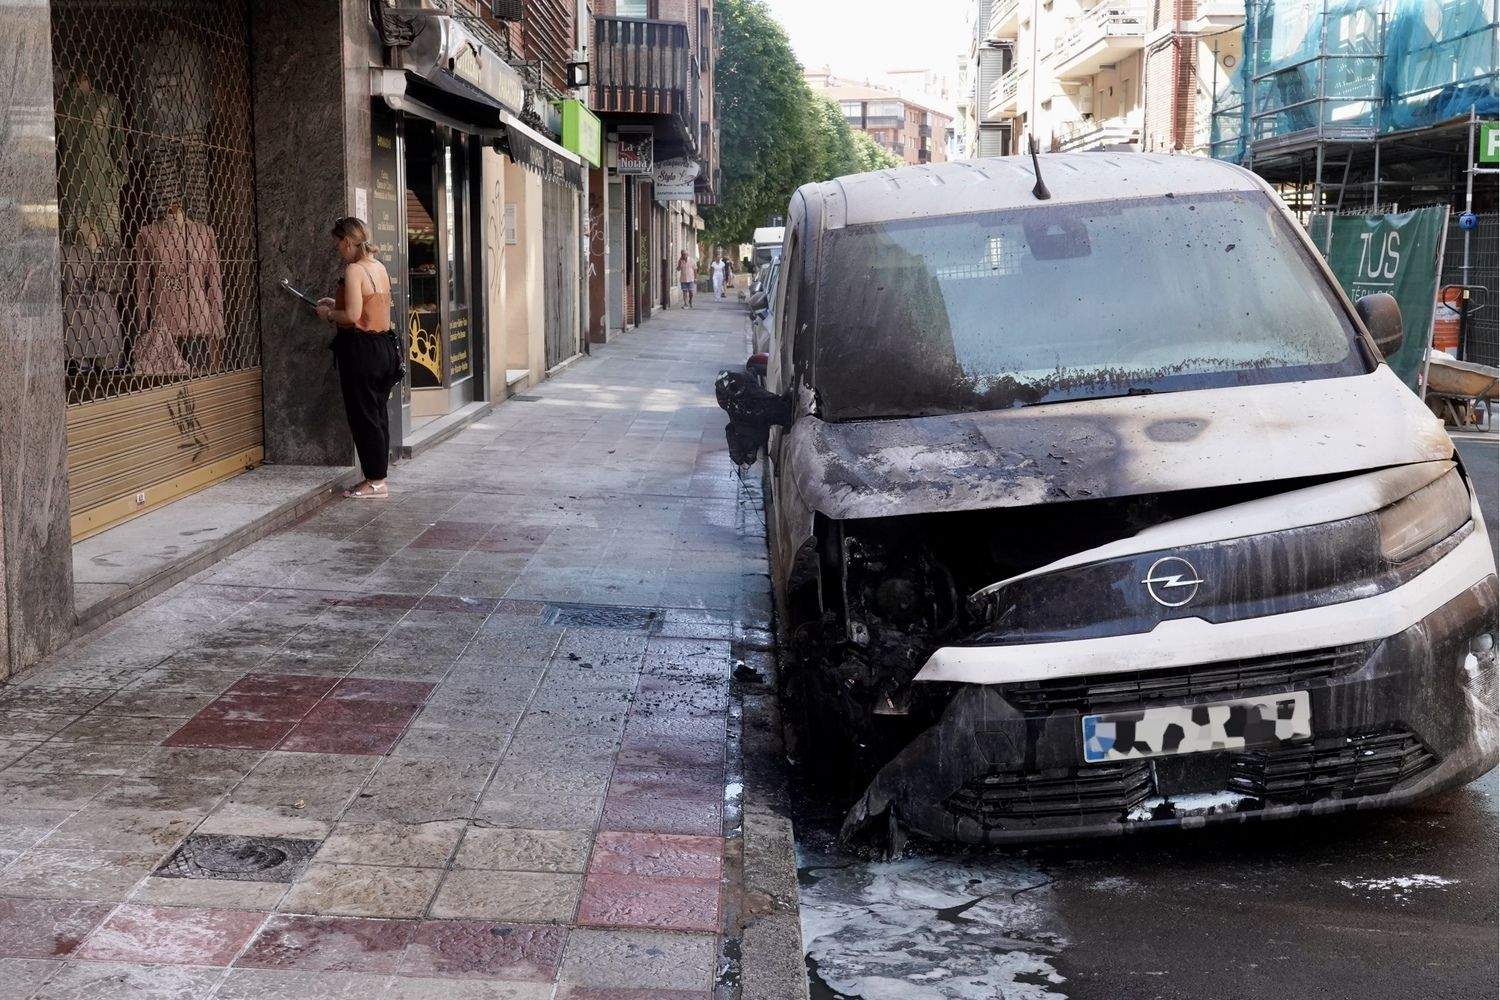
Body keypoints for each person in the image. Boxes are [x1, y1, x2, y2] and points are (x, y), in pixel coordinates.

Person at [316, 217, 402, 500]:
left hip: (362, 351)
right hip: (384, 347)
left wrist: (329, 314)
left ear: (347, 242)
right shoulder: (378, 267)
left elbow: (352, 316)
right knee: (377, 414)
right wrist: (337, 303)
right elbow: (368, 307)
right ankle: (377, 478)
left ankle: (375, 482)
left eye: (337, 243)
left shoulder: (354, 269)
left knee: (364, 417)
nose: (337, 249)